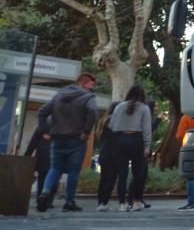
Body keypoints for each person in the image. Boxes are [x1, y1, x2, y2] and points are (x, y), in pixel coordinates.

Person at [35, 72, 99, 213]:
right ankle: (69, 202)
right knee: (73, 171)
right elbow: (93, 111)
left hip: (57, 137)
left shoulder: (59, 95)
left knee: (55, 168)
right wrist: (87, 131)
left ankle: (44, 192)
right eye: (91, 84)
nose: (92, 88)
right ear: (83, 83)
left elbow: (42, 112)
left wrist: (45, 131)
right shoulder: (88, 97)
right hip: (77, 138)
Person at [109, 85, 152, 211]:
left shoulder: (119, 107)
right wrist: (147, 146)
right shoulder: (144, 108)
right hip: (136, 140)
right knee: (137, 173)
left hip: (120, 139)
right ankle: (135, 200)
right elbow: (147, 129)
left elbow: (112, 125)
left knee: (122, 174)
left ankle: (121, 204)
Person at [176, 113, 194, 211]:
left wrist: (183, 143)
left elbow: (179, 135)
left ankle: (192, 203)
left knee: (190, 176)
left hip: (189, 148)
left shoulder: (186, 118)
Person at [95, 100, 121, 211]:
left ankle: (101, 202)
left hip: (104, 152)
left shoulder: (103, 120)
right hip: (114, 153)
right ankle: (104, 202)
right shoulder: (115, 121)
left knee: (104, 178)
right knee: (111, 178)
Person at [24, 126, 51, 200]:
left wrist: (26, 157)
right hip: (54, 157)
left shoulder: (42, 126)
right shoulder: (61, 126)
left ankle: (40, 198)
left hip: (43, 156)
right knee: (53, 178)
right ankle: (48, 200)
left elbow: (33, 143)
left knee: (42, 178)